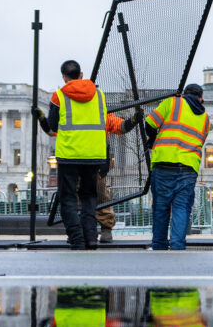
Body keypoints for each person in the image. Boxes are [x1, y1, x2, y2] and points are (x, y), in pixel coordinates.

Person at [35, 60, 137, 250]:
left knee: (69, 199)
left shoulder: (59, 97)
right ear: (81, 74)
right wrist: (131, 122)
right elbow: (117, 125)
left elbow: (52, 129)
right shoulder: (98, 97)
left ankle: (77, 238)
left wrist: (42, 120)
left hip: (70, 156)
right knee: (93, 197)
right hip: (95, 157)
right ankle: (91, 237)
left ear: (64, 77)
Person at [143, 83, 211, 251]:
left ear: (183, 94)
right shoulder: (206, 120)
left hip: (164, 164)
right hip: (188, 169)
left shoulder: (172, 103)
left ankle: (158, 245)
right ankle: (178, 246)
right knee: (181, 208)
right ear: (201, 98)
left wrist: (153, 140)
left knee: (161, 207)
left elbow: (149, 124)